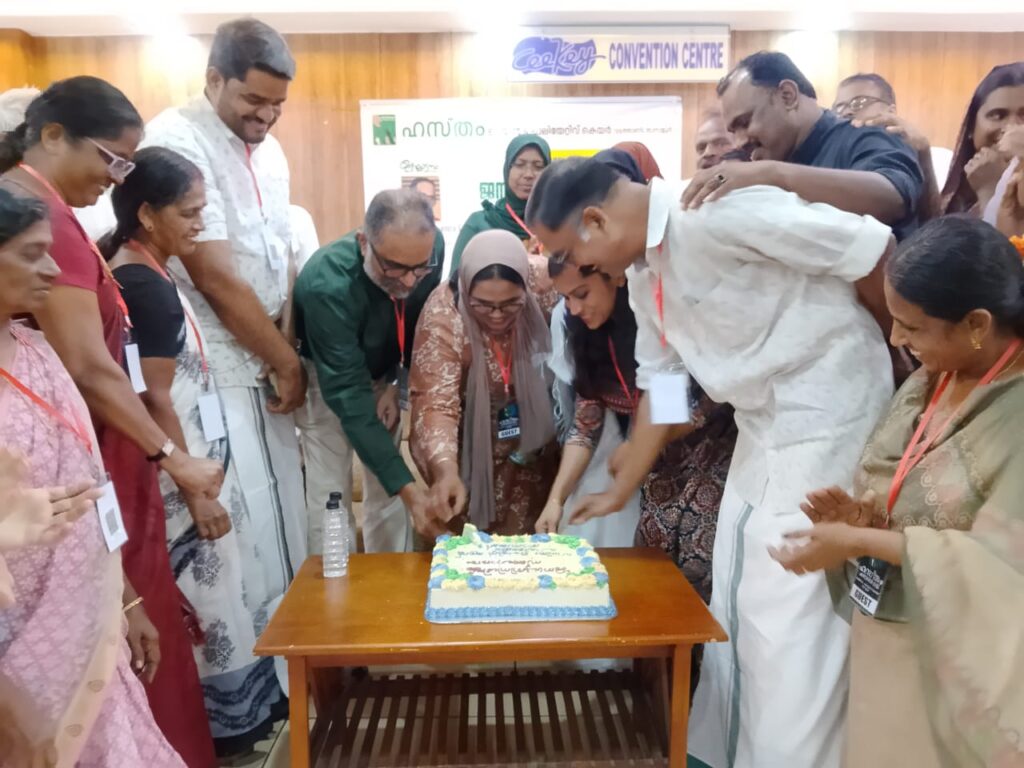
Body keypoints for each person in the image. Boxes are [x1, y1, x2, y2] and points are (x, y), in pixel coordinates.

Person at [527, 157, 896, 768]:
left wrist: (904, 360)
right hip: (762, 425)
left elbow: (870, 249)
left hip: (830, 411)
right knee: (735, 596)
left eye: (570, 252)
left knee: (792, 612)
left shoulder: (717, 212)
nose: (574, 268)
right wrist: (624, 481)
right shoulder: (643, 274)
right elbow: (665, 383)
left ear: (596, 221)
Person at [0, 75, 221, 768]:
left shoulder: (33, 341)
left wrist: (122, 596)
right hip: (33, 554)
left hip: (89, 509)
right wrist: (173, 459)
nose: (115, 179)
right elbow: (94, 368)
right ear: (53, 135)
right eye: (111, 159)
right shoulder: (41, 211)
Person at [773, 216, 1024, 767]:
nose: (895, 340)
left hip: (962, 675)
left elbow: (1003, 569)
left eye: (911, 326)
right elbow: (911, 489)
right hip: (887, 636)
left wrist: (861, 543)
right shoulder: (935, 375)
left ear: (977, 323)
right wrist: (864, 520)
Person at [102, 147, 287, 758]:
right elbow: (154, 397)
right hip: (181, 483)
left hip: (198, 464)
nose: (199, 224)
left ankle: (241, 718)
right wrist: (194, 490)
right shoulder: (141, 285)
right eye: (189, 212)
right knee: (206, 604)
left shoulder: (154, 272)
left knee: (229, 593)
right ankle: (221, 730)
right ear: (147, 214)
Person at [142, 19, 308, 601]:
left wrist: (284, 346)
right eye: (254, 99)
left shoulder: (272, 151)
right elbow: (212, 274)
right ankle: (257, 657)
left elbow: (279, 257)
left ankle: (297, 644)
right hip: (212, 359)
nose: (267, 115)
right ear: (214, 79)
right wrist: (285, 361)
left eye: (278, 104)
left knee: (284, 506)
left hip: (266, 349)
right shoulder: (177, 138)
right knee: (243, 518)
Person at [295, 189, 445, 550]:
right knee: (330, 493)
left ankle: (392, 576)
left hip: (382, 372)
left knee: (389, 491)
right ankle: (334, 580)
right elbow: (348, 395)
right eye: (394, 268)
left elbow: (415, 325)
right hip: (328, 376)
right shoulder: (326, 283)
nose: (408, 281)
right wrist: (413, 494)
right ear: (364, 243)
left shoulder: (429, 249)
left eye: (419, 269)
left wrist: (395, 383)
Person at [410, 229, 559, 535]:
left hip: (536, 449)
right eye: (483, 304)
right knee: (476, 544)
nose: (497, 315)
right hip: (473, 453)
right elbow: (436, 404)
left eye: (511, 303)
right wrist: (445, 469)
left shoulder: (546, 283)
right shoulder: (444, 314)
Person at [685, 50, 923, 241]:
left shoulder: (865, 134)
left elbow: (893, 196)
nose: (740, 141)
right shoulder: (769, 157)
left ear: (787, 95)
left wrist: (772, 175)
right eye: (733, 132)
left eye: (745, 123)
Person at [833, 72, 953, 222]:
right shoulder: (832, 147)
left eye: (859, 103)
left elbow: (932, 222)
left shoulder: (903, 147)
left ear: (891, 111)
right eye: (839, 107)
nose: (846, 112)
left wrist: (924, 155)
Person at [449, 134, 551, 273]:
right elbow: (456, 282)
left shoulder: (560, 226)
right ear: (507, 169)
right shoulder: (479, 224)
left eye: (538, 166)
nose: (528, 174)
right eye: (519, 165)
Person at [942, 62, 1024, 217]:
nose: (1011, 127)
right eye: (997, 115)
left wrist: (991, 191)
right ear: (971, 128)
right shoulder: (956, 201)